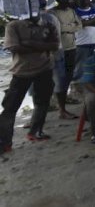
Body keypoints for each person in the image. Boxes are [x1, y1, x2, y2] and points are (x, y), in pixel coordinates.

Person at [1, 13, 61, 153]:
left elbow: (55, 45)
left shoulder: (48, 25)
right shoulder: (14, 25)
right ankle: (4, 142)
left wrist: (30, 43)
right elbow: (14, 48)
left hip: (45, 69)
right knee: (10, 107)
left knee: (42, 102)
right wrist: (44, 46)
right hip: (22, 71)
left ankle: (35, 132)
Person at [49, 0, 83, 119]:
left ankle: (64, 101)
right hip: (59, 48)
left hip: (71, 46)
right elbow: (59, 29)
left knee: (69, 74)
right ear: (59, 1)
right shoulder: (52, 13)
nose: (68, 2)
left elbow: (79, 25)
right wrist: (69, 27)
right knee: (59, 77)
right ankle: (60, 107)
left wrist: (67, 27)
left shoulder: (71, 11)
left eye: (69, 0)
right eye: (66, 0)